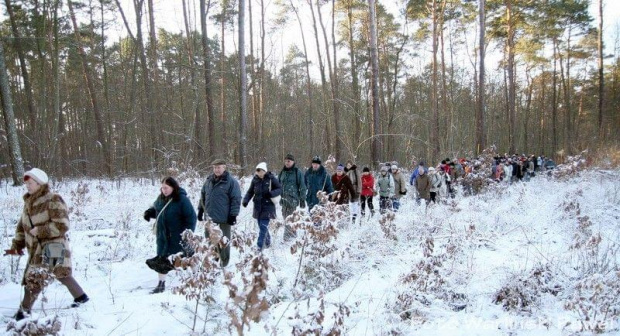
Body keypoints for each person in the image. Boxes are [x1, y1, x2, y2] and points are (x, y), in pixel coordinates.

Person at [4, 168, 89, 321]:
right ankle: (81, 297)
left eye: (30, 183)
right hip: (36, 249)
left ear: (39, 183)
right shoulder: (28, 203)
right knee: (60, 274)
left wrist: (41, 230)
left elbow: (63, 225)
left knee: (36, 278)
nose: (27, 186)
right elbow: (22, 227)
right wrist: (16, 246)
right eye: (26, 184)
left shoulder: (53, 199)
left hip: (53, 246)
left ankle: (23, 312)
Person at [143, 177, 197, 294]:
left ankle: (196, 277)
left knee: (187, 257)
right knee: (161, 259)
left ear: (173, 187)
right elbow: (157, 210)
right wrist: (149, 213)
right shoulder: (161, 198)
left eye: (166, 188)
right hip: (163, 236)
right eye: (162, 188)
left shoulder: (182, 200)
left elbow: (191, 218)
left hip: (179, 236)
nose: (164, 190)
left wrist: (188, 234)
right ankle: (161, 284)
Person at [197, 159, 242, 267]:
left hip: (224, 219)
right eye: (214, 167)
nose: (216, 170)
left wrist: (233, 215)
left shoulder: (231, 182)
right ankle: (211, 262)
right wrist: (200, 210)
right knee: (209, 241)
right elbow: (203, 196)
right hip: (210, 219)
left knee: (223, 242)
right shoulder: (208, 181)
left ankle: (223, 263)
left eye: (219, 167)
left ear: (224, 168)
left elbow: (236, 199)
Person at [242, 162, 282, 251]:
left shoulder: (271, 178)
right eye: (257, 171)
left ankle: (259, 247)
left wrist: (271, 194)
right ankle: (268, 242)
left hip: (268, 207)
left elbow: (279, 189)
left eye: (260, 171)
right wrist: (245, 201)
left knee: (263, 228)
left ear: (264, 171)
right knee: (262, 226)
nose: (258, 172)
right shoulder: (255, 180)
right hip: (257, 207)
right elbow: (250, 192)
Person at [278, 154, 306, 241]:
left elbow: (302, 186)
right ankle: (293, 236)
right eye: (286, 161)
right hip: (283, 201)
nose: (287, 163)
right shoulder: (282, 172)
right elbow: (278, 184)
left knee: (288, 219)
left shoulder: (297, 172)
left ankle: (286, 239)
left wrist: (302, 199)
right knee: (286, 217)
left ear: (293, 162)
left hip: (293, 200)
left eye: (289, 161)